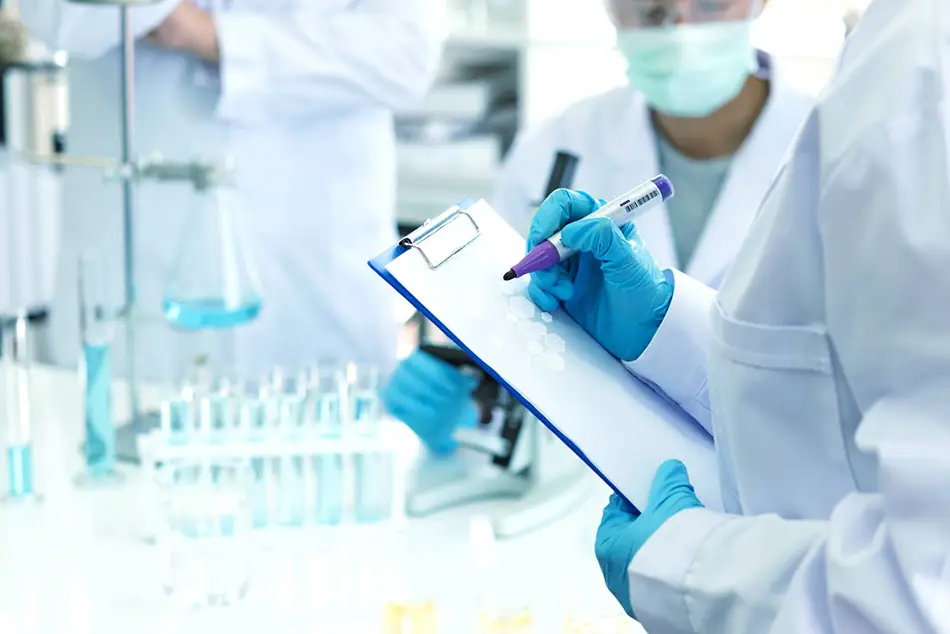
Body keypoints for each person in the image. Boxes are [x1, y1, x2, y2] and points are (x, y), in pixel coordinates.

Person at [528, 0, 950, 631]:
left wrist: (687, 566)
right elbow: (850, 406)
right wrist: (667, 329)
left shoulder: (922, 76)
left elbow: (926, 586)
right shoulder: (899, 51)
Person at [383, 0, 812, 455]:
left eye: (709, 2)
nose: (681, 29)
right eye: (652, 9)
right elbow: (501, 338)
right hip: (580, 500)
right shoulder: (558, 143)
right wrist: (472, 411)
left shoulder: (837, 158)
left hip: (775, 500)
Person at [22, 0, 443, 382]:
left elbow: (405, 56)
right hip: (139, 259)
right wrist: (164, 16)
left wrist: (213, 36)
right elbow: (58, 17)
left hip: (311, 269)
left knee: (324, 440)